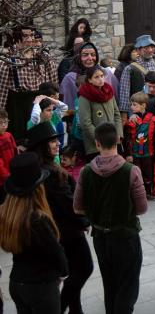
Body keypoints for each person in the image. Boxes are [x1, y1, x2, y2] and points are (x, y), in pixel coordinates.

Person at [74, 123, 148, 314]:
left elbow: (78, 207)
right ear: (117, 141)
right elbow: (141, 208)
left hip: (101, 237)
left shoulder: (86, 172)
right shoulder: (131, 170)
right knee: (128, 285)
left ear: (97, 144)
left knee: (110, 283)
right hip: (126, 236)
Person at [24, 122, 92, 314]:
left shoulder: (41, 168)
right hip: (68, 232)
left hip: (56, 231)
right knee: (83, 269)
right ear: (41, 146)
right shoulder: (51, 174)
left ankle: (76, 310)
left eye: (56, 140)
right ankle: (61, 307)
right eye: (52, 142)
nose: (57, 145)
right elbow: (68, 204)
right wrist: (84, 221)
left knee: (73, 271)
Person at [0, 152, 68, 314]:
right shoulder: (37, 220)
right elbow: (56, 253)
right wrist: (62, 273)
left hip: (16, 282)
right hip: (41, 286)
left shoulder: (8, 214)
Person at [0, 26, 58, 143]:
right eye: (25, 36)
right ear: (16, 37)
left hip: (40, 103)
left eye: (31, 35)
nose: (30, 39)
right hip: (19, 108)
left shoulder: (43, 57)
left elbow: (54, 84)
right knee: (23, 142)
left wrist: (55, 104)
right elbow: (2, 93)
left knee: (43, 141)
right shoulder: (8, 60)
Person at [117, 35, 155, 120]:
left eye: (152, 47)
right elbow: (124, 97)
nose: (149, 50)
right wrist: (127, 116)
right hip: (140, 117)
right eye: (145, 48)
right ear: (138, 50)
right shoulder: (129, 69)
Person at [77, 66, 123, 161]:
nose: (100, 79)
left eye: (102, 76)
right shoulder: (85, 96)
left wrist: (118, 134)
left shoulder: (109, 92)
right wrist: (100, 139)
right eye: (96, 77)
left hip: (113, 141)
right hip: (96, 145)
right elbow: (86, 123)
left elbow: (117, 114)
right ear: (90, 80)